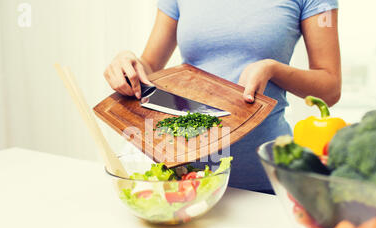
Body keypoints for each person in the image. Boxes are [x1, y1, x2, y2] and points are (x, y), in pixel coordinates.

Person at [104, 0, 341, 193]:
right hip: (186, 179)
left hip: (265, 181)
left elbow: (330, 88)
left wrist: (273, 69)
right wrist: (128, 65)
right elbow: (150, 66)